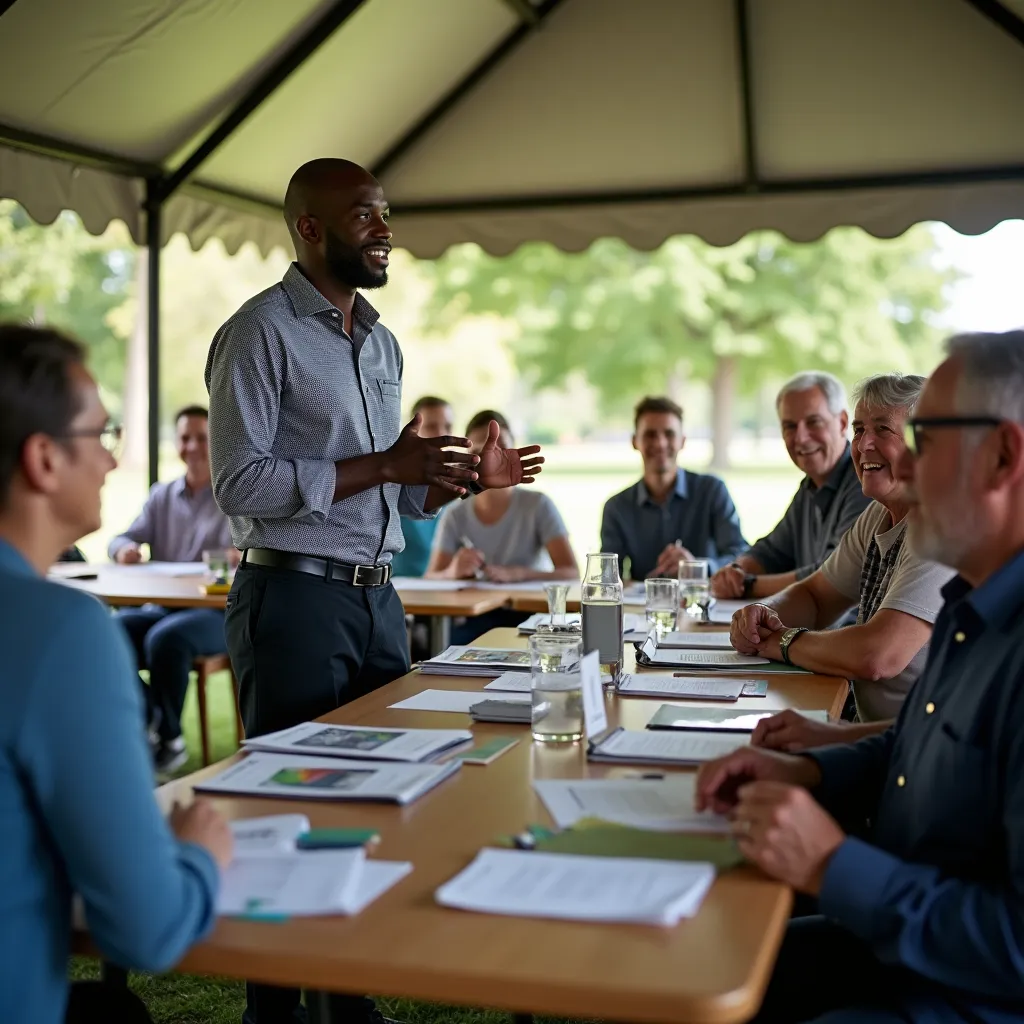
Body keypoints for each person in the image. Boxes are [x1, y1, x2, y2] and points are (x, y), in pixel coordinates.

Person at [205, 157, 543, 1024]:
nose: (385, 229)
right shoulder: (260, 333)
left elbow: (391, 491)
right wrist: (389, 461)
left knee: (378, 799)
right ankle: (276, 1011)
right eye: (366, 215)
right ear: (311, 227)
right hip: (294, 600)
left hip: (376, 598)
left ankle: (345, 1000)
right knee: (286, 807)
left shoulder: (382, 342)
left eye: (386, 213)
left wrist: (460, 481)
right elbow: (240, 483)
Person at [696, 329, 1024, 1024]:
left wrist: (833, 867)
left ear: (1002, 456)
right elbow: (926, 739)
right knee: (700, 961)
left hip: (962, 999)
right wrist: (817, 769)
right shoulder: (977, 599)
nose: (886, 463)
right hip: (896, 946)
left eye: (923, 438)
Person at [0, 324, 230, 1024]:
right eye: (101, 434)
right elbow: (147, 929)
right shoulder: (62, 635)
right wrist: (197, 855)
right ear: (43, 459)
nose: (108, 459)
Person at [730, 373, 955, 750]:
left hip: (923, 755)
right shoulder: (879, 515)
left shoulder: (942, 523)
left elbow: (877, 655)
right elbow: (816, 596)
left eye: (883, 429)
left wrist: (781, 642)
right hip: (877, 736)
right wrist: (761, 614)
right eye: (859, 429)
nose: (864, 444)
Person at [108, 405, 235, 775]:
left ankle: (168, 738)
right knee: (112, 631)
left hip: (216, 613)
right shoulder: (162, 496)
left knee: (166, 640)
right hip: (163, 606)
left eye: (201, 438)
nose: (192, 446)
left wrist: (241, 553)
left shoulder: (234, 497)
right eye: (185, 438)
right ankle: (156, 724)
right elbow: (122, 537)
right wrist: (124, 550)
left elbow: (261, 548)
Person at [711, 371, 870, 601]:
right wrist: (737, 570)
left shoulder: (864, 483)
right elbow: (772, 552)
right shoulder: (810, 487)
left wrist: (747, 585)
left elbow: (831, 575)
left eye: (814, 422)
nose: (801, 438)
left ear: (843, 423)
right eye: (790, 426)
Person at [600, 395, 747, 580]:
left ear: (682, 441)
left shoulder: (712, 491)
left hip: (705, 603)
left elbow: (741, 556)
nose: (660, 443)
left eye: (669, 434)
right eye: (650, 434)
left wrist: (695, 567)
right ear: (634, 441)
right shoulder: (616, 507)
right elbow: (609, 577)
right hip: (643, 606)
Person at [427, 410, 579, 583]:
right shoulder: (455, 513)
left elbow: (572, 573)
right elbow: (430, 577)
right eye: (480, 453)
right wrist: (451, 572)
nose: (491, 461)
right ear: (467, 457)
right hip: (474, 607)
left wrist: (520, 574)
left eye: (501, 449)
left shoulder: (538, 505)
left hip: (528, 608)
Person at [390, 395, 453, 577]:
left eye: (448, 426)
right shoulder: (395, 488)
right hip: (400, 590)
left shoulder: (459, 491)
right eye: (432, 426)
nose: (443, 434)